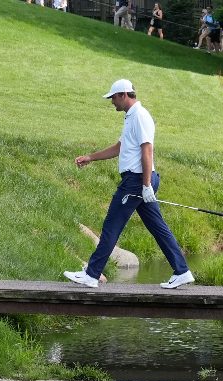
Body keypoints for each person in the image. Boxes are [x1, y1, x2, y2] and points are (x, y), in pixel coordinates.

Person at [64, 79, 194, 290]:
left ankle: (91, 275)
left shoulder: (140, 116)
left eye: (113, 98)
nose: (111, 102)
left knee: (111, 226)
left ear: (124, 95)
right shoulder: (131, 117)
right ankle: (182, 271)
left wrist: (145, 185)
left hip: (136, 181)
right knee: (158, 227)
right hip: (139, 181)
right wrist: (91, 157)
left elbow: (147, 150)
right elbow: (120, 147)